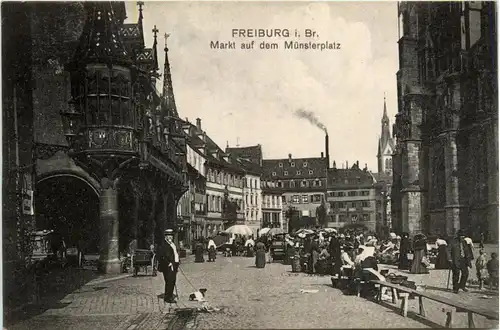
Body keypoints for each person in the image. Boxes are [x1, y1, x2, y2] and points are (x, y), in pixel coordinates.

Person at [157, 229, 180, 303]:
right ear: (165, 237)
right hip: (168, 266)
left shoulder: (172, 244)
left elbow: (175, 253)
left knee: (172, 281)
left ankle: (169, 295)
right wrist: (168, 263)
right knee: (169, 281)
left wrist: (177, 262)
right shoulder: (163, 245)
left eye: (171, 235)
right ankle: (168, 297)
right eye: (168, 235)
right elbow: (160, 256)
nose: (170, 237)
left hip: (174, 265)